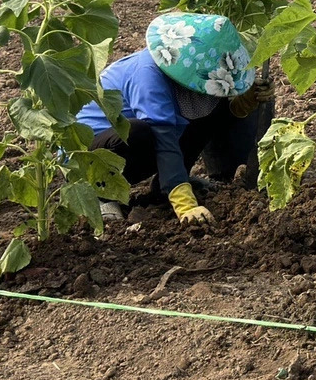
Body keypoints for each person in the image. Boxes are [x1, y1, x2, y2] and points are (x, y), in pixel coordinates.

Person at [78, 12, 275, 225]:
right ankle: (100, 195)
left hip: (136, 143)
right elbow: (163, 135)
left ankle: (165, 186)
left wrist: (247, 99)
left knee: (210, 108)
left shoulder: (184, 79)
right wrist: (185, 204)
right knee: (140, 132)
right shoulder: (148, 74)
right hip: (89, 154)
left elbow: (216, 116)